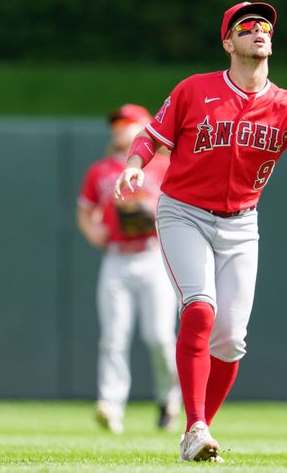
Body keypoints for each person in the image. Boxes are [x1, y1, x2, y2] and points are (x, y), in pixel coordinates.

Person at [115, 1, 287, 461]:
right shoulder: (196, 89)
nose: (259, 30)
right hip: (184, 212)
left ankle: (198, 428)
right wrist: (135, 165)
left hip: (241, 222)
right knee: (199, 308)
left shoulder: (286, 104)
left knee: (231, 339)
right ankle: (193, 427)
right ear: (228, 42)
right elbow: (152, 135)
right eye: (247, 25)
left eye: (266, 26)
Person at [76, 104, 181, 434]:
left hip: (154, 256)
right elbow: (86, 210)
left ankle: (169, 397)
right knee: (113, 337)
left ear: (145, 126)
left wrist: (154, 211)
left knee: (160, 337)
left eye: (126, 123)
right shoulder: (101, 170)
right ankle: (111, 405)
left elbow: (183, 206)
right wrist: (93, 230)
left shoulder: (164, 165)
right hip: (118, 257)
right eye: (116, 124)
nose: (118, 128)